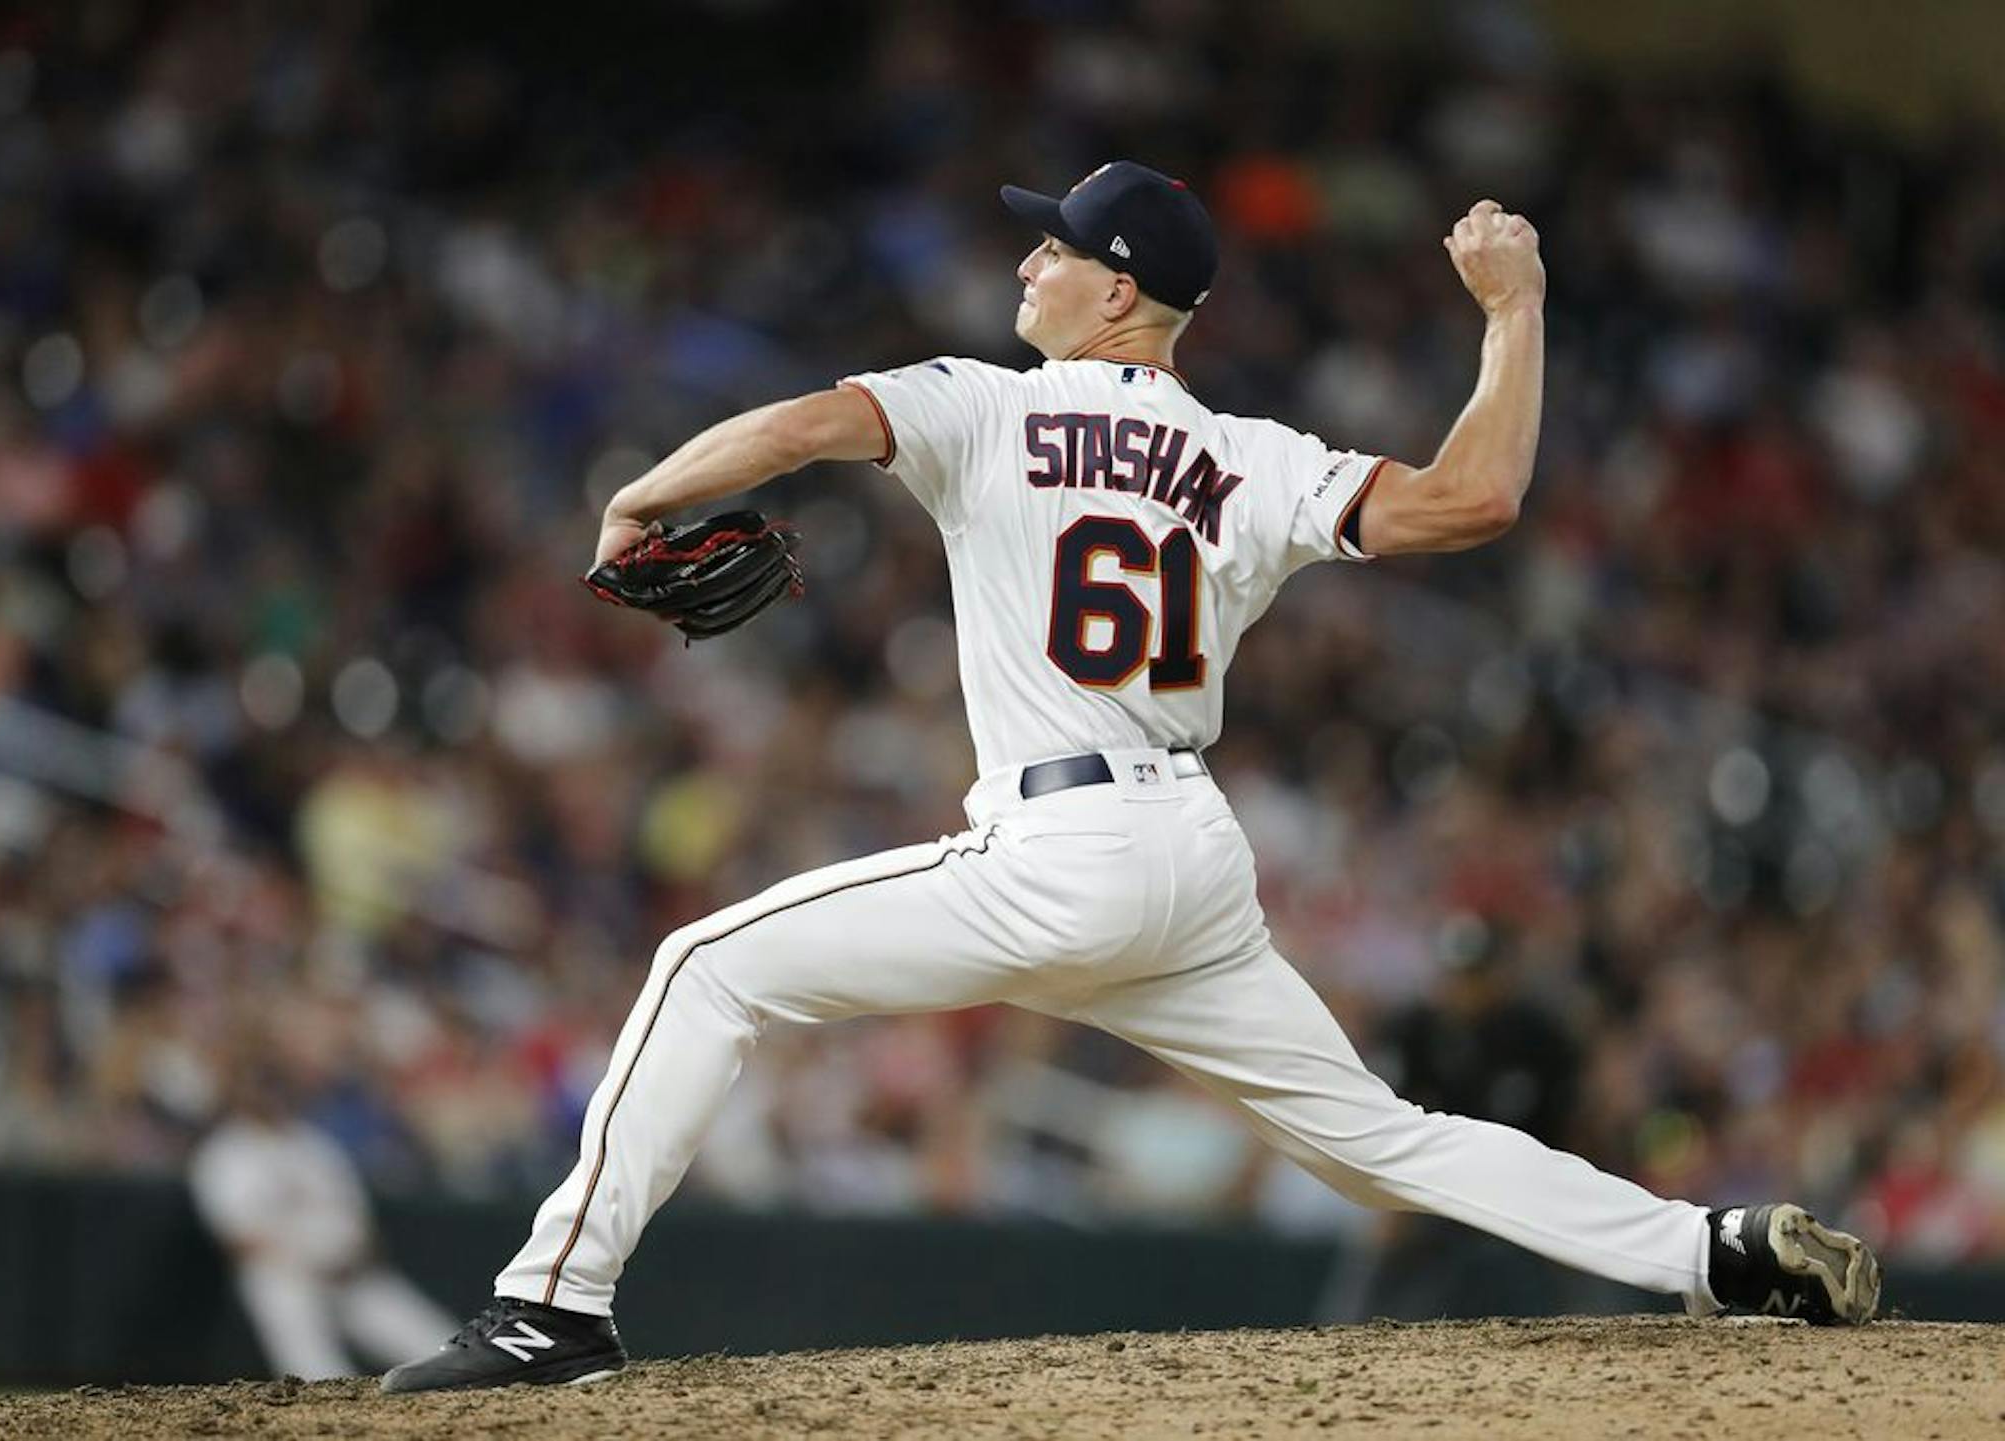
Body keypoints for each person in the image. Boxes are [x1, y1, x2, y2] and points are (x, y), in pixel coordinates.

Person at [381, 162, 1880, 1393]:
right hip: (1189, 859)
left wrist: (644, 492)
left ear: (1118, 291)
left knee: (705, 964)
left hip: (1059, 846)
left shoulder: (983, 402)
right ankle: (1716, 1252)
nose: (1028, 263)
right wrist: (1517, 309)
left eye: (1056, 247)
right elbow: (1476, 496)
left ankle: (548, 1308)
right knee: (1382, 1140)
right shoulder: (1247, 455)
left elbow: (799, 430)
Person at [191, 1064, 456, 1380]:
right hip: (283, 1275)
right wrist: (309, 1263)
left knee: (441, 1344)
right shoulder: (227, 1152)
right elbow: (236, 1238)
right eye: (260, 1088)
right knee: (315, 1370)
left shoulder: (314, 1143)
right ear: (239, 1095)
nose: (269, 1096)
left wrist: (351, 1257)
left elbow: (358, 1219)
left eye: (275, 1086)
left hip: (350, 1273)